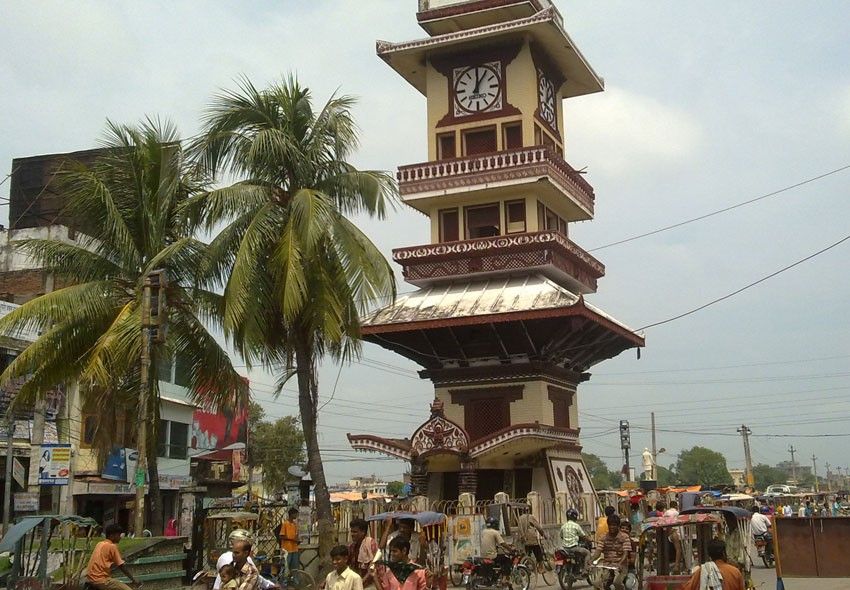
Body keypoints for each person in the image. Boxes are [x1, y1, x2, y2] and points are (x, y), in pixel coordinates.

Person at [214, 530, 278, 590]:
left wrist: (271, 585)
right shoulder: (230, 565)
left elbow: (259, 579)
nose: (233, 555)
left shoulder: (251, 572)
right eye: (233, 552)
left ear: (246, 553)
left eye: (237, 553)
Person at [86, 524, 142, 590]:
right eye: (118, 535)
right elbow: (121, 566)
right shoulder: (112, 546)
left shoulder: (99, 544)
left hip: (91, 578)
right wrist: (134, 580)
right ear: (112, 536)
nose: (120, 537)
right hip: (101, 580)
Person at [590, 514, 631, 590]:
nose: (612, 527)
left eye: (614, 525)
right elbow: (598, 551)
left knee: (617, 583)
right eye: (610, 525)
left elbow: (625, 553)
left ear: (618, 526)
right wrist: (591, 560)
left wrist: (620, 563)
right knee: (596, 583)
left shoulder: (624, 537)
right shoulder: (603, 537)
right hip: (607, 565)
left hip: (621, 566)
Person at [480, 517, 512, 584]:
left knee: (497, 556)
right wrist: (510, 549)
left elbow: (487, 542)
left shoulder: (483, 532)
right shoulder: (495, 532)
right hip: (492, 555)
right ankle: (504, 578)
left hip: (483, 555)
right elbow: (502, 543)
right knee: (507, 559)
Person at [559, 508, 590, 574]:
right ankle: (585, 571)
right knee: (587, 553)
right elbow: (583, 536)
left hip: (564, 549)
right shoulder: (576, 526)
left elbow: (561, 536)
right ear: (575, 517)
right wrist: (590, 539)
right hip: (574, 548)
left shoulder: (563, 526)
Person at [349, 518, 379, 585]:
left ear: (363, 532)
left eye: (355, 532)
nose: (352, 534)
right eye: (351, 531)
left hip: (372, 583)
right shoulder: (352, 547)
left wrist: (360, 583)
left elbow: (373, 567)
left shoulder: (370, 544)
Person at [279, 508, 301, 578]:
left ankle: (294, 582)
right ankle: (283, 582)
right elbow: (281, 536)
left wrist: (297, 541)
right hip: (286, 550)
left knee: (295, 569)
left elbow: (296, 536)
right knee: (285, 568)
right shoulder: (285, 524)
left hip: (294, 549)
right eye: (295, 514)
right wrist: (292, 540)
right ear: (291, 514)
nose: (296, 516)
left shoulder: (295, 524)